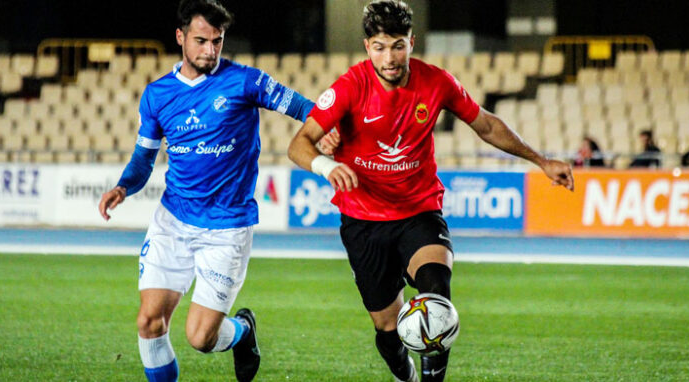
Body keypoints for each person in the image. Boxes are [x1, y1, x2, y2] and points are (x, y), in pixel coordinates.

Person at [287, 1, 574, 381]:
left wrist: (541, 160)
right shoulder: (349, 88)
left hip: (418, 212)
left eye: (398, 45)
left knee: (436, 298)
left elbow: (485, 126)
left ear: (412, 42)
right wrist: (328, 166)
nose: (389, 57)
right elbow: (300, 143)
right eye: (380, 47)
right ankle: (402, 371)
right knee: (388, 333)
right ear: (367, 46)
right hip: (363, 222)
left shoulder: (437, 82)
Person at [97, 1, 314, 381]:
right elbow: (144, 158)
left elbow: (305, 108)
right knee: (149, 321)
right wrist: (124, 186)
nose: (210, 51)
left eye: (218, 41)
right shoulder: (157, 95)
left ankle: (243, 332)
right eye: (201, 41)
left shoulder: (245, 82)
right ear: (180, 37)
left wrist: (334, 135)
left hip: (226, 227)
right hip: (174, 220)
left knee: (200, 337)